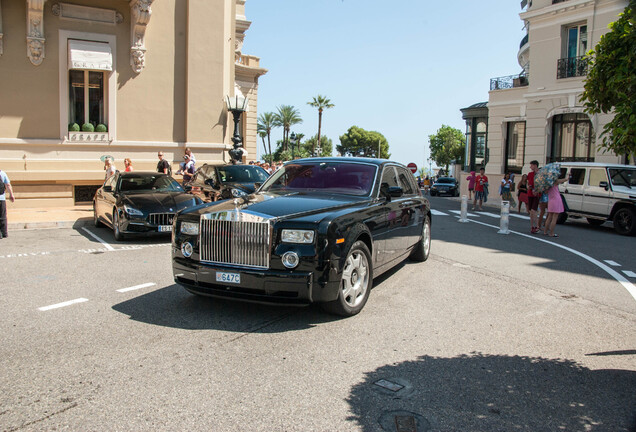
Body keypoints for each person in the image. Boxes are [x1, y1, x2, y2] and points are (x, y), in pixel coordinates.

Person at [0, 169, 16, 239]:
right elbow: (8, 185)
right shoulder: (2, 173)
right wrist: (11, 195)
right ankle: (4, 233)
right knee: (3, 216)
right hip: (2, 198)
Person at [527, 160, 540, 233]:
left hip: (536, 194)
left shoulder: (540, 174)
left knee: (533, 210)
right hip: (530, 193)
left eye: (531, 165)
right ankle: (532, 226)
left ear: (535, 165)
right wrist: (529, 187)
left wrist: (537, 190)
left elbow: (542, 184)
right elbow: (528, 183)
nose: (530, 167)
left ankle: (537, 226)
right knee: (530, 211)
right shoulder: (530, 174)